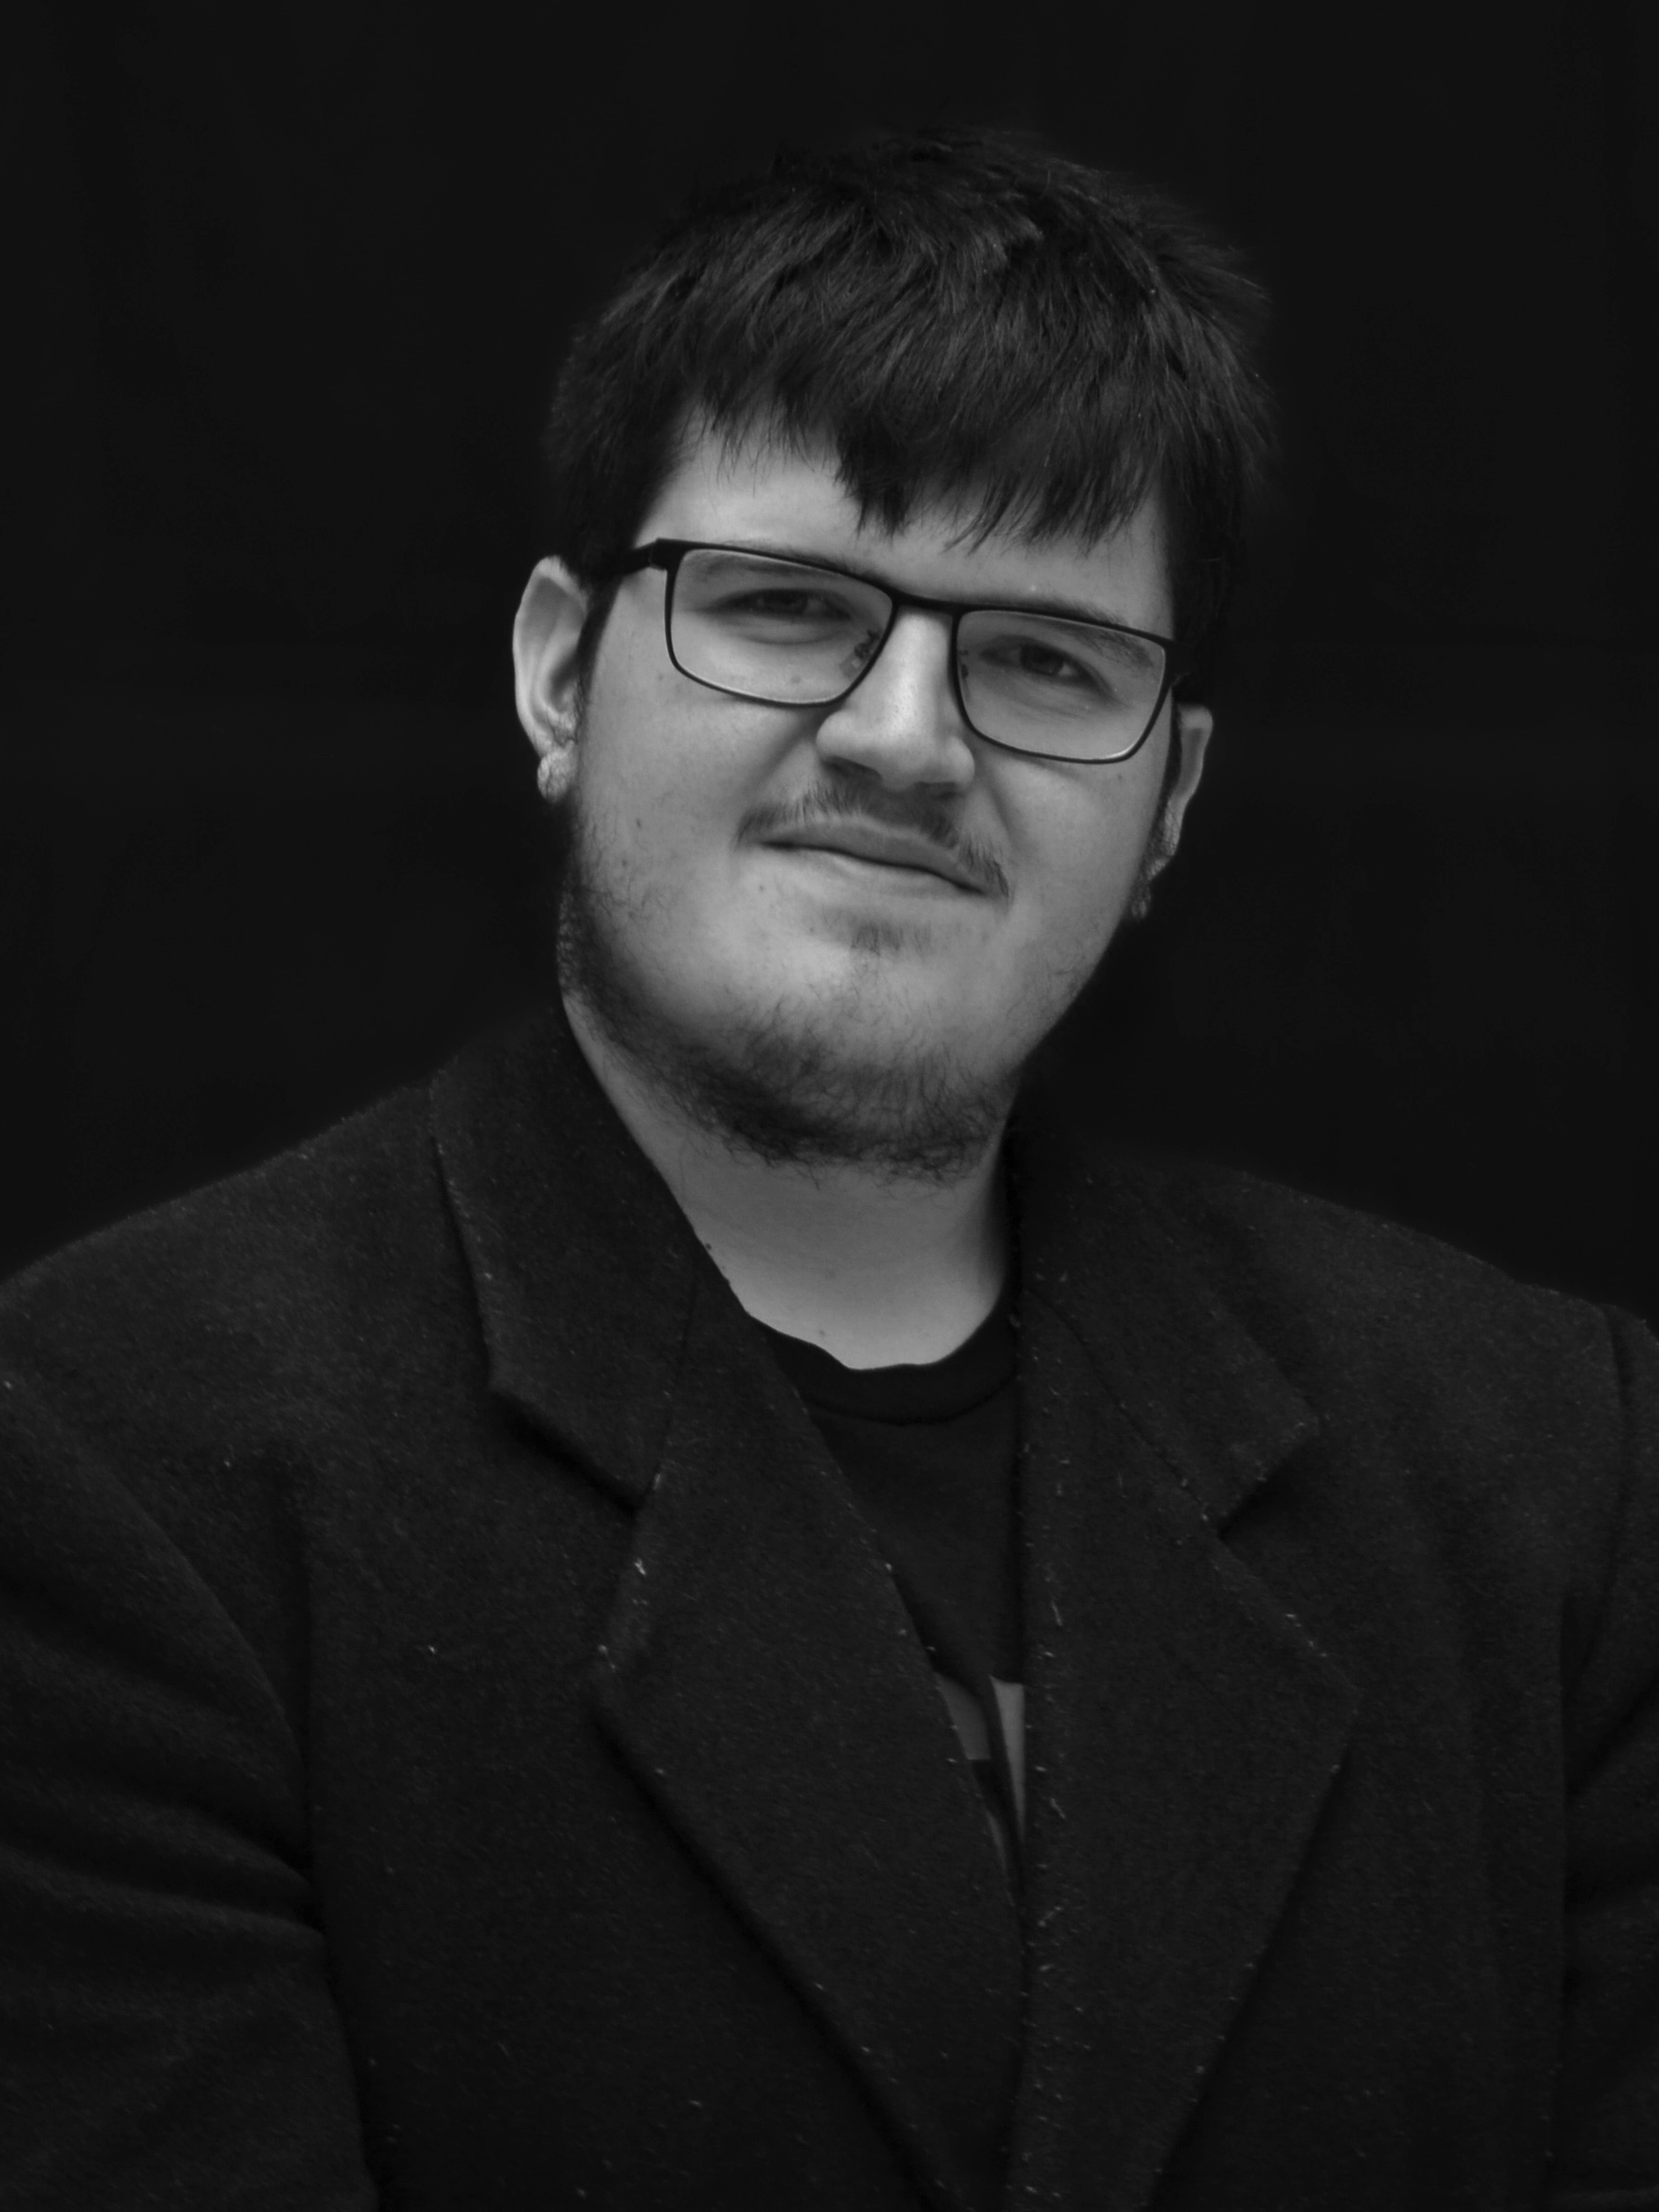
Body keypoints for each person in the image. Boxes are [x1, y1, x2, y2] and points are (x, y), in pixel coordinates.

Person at [1, 124, 1654, 2212]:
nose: (901, 736)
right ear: (554, 671)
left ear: (1166, 811)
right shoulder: (111, 1462)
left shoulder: (1553, 1477)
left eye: (1044, 659)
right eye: (787, 607)